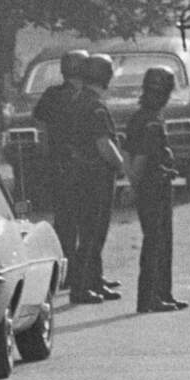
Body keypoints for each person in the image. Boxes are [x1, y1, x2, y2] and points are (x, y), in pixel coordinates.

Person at [125, 67, 186, 313]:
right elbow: (140, 157)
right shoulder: (151, 121)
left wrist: (131, 180)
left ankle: (162, 293)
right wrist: (135, 184)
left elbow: (128, 153)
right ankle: (150, 297)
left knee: (161, 241)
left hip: (154, 184)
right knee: (156, 242)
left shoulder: (140, 117)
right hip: (153, 186)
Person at [67, 54, 125, 304]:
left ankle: (94, 280)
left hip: (81, 173)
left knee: (91, 231)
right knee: (93, 233)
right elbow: (103, 144)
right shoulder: (96, 107)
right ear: (105, 77)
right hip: (96, 176)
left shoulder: (79, 101)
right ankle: (81, 288)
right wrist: (121, 165)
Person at [32, 48, 89, 256]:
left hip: (57, 162)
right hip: (79, 163)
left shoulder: (51, 94)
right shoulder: (84, 96)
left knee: (64, 219)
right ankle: (80, 269)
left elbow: (40, 119)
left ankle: (66, 263)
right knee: (84, 220)